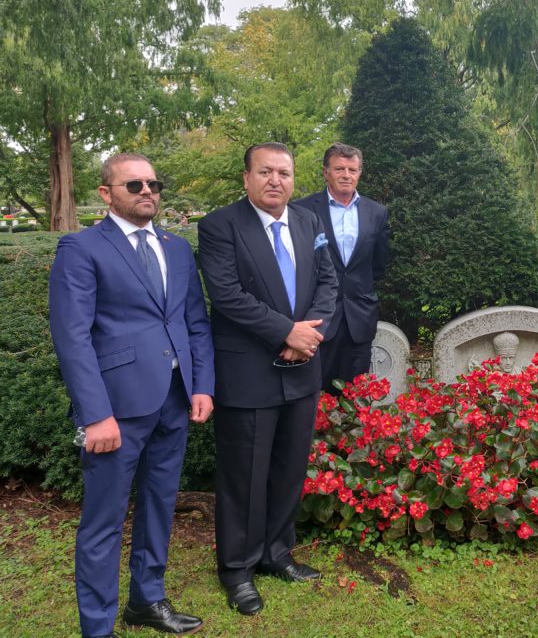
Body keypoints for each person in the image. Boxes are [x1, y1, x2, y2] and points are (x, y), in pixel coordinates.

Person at [49, 154, 214, 638]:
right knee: (104, 522)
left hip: (174, 401)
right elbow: (72, 336)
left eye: (153, 184)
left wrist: (202, 384)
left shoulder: (177, 248)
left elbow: (195, 322)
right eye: (134, 184)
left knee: (159, 505)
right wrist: (94, 414)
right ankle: (98, 628)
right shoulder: (81, 248)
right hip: (115, 410)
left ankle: (146, 601)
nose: (147, 192)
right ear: (106, 193)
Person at [197, 142, 337, 615]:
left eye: (284, 172)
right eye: (265, 171)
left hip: (303, 366)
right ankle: (237, 569)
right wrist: (285, 331)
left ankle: (277, 553)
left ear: (294, 179)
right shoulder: (220, 226)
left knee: (288, 469)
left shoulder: (309, 222)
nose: (276, 180)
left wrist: (308, 335)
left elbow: (328, 283)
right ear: (246, 178)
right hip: (249, 371)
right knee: (244, 476)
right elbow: (227, 295)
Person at [294, 143, 390, 392]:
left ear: (359, 173)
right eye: (339, 169)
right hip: (317, 316)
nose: (346, 175)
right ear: (326, 172)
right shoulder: (302, 210)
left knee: (355, 395)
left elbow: (378, 263)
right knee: (315, 392)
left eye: (352, 170)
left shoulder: (377, 212)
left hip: (360, 316)